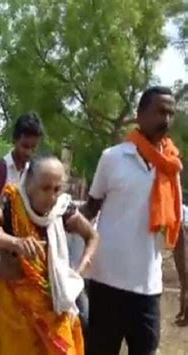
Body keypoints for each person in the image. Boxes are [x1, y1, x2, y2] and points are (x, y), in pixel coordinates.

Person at [81, 86, 186, 355]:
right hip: (105, 284)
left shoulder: (171, 168)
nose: (166, 120)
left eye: (171, 114)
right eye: (160, 112)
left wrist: (186, 285)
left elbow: (177, 231)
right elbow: (90, 209)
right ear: (140, 115)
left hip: (148, 289)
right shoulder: (112, 158)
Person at [0, 155, 98, 354]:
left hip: (51, 305)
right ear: (29, 183)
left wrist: (77, 274)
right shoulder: (11, 202)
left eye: (57, 189)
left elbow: (91, 236)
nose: (52, 196)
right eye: (45, 188)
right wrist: (15, 242)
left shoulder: (61, 209)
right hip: (13, 311)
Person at [0, 112, 44, 353]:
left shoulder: (35, 172)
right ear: (15, 140)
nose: (28, 153)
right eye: (25, 146)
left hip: (26, 265)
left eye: (33, 148)